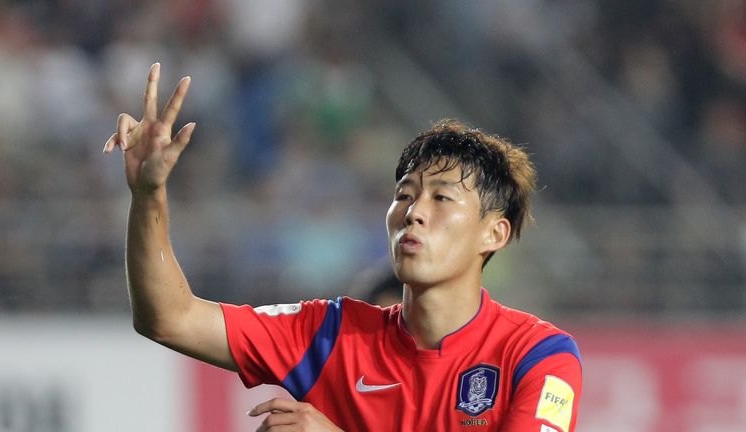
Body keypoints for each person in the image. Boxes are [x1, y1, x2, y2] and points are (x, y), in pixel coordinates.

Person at [103, 63, 582, 432]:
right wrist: (149, 196)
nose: (413, 212)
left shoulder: (538, 355)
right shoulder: (329, 333)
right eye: (405, 194)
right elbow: (168, 318)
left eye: (441, 198)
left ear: (494, 234)